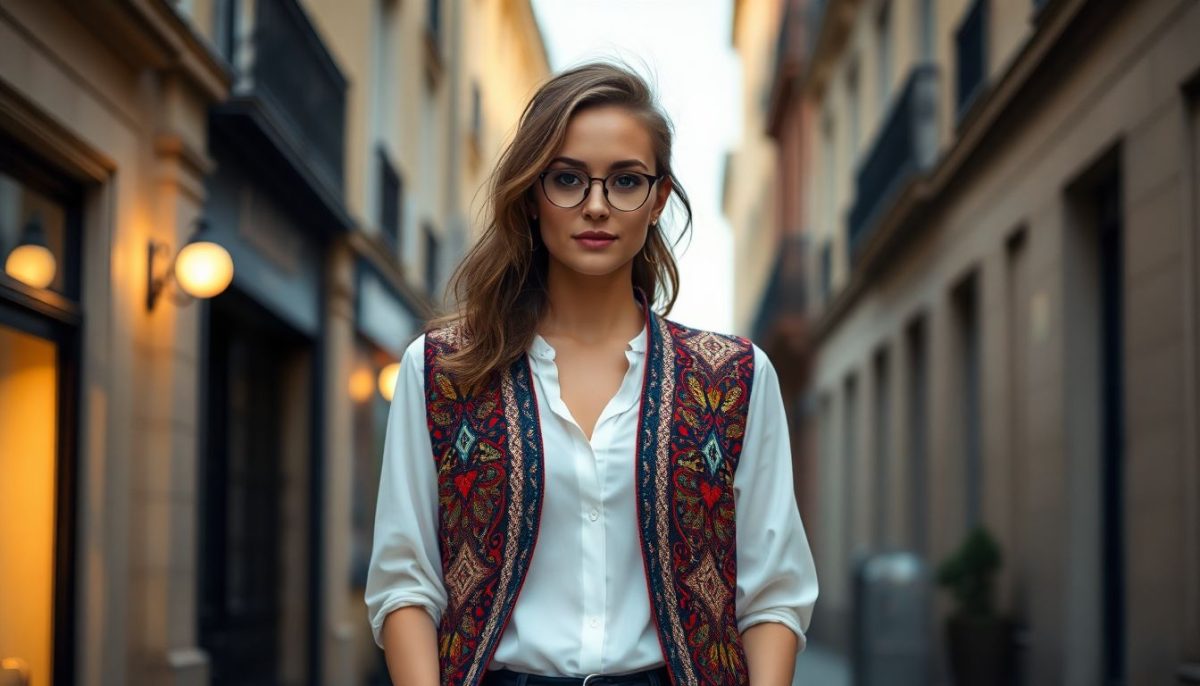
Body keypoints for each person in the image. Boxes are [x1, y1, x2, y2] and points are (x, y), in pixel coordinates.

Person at [365, 61, 817, 686]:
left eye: (626, 181)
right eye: (568, 179)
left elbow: (772, 595)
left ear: (658, 199)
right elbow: (405, 584)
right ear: (532, 196)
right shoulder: (442, 370)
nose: (597, 206)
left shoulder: (735, 378)